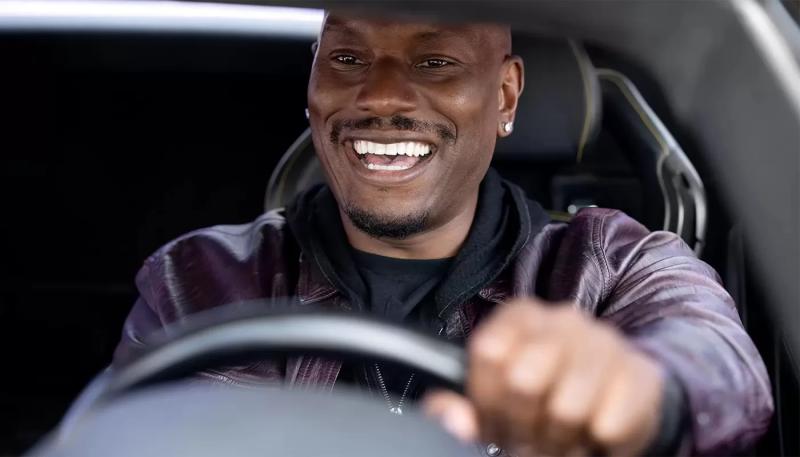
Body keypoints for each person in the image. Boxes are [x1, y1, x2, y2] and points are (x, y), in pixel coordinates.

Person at [112, 12, 773, 457]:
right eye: (347, 56)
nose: (381, 96)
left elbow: (723, 366)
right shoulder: (201, 278)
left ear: (505, 96)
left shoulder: (607, 268)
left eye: (433, 61)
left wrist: (639, 388)